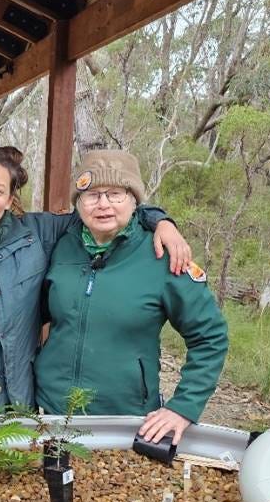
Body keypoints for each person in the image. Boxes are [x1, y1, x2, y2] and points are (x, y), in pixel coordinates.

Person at [0, 148, 191, 424]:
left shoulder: (36, 235)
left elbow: (100, 212)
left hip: (21, 410)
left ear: (10, 200)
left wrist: (160, 220)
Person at [34, 150, 228, 444]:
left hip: (126, 419)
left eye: (115, 194)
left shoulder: (163, 257)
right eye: (92, 195)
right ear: (78, 203)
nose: (103, 205)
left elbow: (210, 336)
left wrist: (184, 407)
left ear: (135, 201)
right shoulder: (59, 247)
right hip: (52, 411)